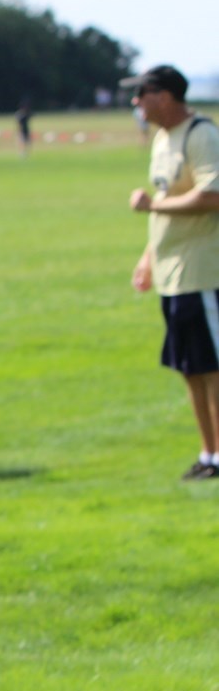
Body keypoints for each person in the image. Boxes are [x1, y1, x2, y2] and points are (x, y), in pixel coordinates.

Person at [122, 64, 219, 480]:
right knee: (190, 368)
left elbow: (212, 194)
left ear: (163, 96)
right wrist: (149, 256)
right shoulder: (163, 140)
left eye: (140, 93)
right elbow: (170, 196)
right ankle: (209, 454)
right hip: (172, 274)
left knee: (213, 369)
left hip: (203, 273)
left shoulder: (202, 135)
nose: (135, 102)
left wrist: (152, 207)